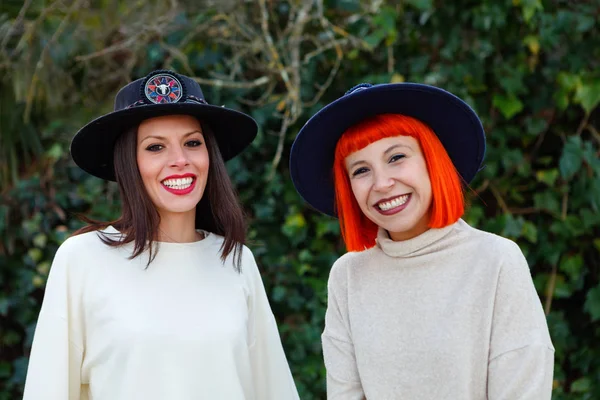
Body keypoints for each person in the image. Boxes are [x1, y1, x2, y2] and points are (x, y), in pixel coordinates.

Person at [23, 70, 300, 400]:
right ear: (128, 163)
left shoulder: (236, 260)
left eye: (192, 143)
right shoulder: (82, 259)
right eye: (156, 147)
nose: (180, 160)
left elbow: (273, 390)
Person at [289, 83, 554, 399]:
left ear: (432, 160)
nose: (383, 183)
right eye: (361, 170)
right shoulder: (348, 276)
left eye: (396, 157)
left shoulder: (496, 261)